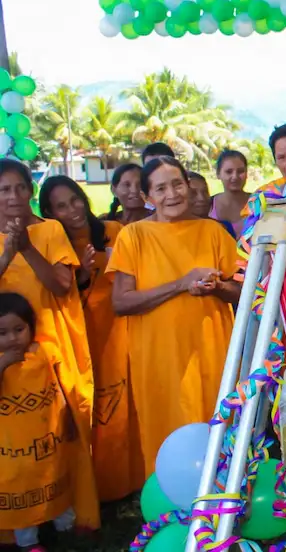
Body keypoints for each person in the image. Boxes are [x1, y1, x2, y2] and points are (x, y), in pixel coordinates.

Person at [107, 157, 240, 475]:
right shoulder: (134, 236)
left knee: (216, 429)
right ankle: (170, 507)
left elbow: (242, 293)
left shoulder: (213, 232)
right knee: (166, 434)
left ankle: (223, 510)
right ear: (147, 197)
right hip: (159, 357)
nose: (172, 194)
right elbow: (121, 302)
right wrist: (180, 284)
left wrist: (217, 286)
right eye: (161, 188)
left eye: (177, 184)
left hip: (211, 352)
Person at [0, 161, 97, 538]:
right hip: (6, 354)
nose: (13, 198)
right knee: (12, 442)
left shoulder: (50, 229)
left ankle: (67, 510)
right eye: (4, 190)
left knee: (60, 432)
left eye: (19, 189)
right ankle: (15, 525)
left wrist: (26, 248)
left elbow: (61, 286)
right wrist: (8, 252)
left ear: (29, 190)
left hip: (52, 346)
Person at [38, 176, 143, 502]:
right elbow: (61, 294)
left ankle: (135, 478)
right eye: (61, 206)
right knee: (99, 406)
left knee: (130, 402)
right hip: (84, 334)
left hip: (123, 326)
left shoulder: (113, 231)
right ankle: (101, 486)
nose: (73, 210)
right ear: (50, 213)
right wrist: (82, 274)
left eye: (75, 200)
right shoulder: (54, 244)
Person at [0, 293, 98, 552]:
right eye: (3, 333)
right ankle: (28, 541)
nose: (12, 339)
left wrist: (67, 419)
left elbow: (60, 387)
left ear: (31, 326)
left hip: (48, 440)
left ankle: (65, 526)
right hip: (12, 451)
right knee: (21, 489)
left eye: (19, 329)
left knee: (54, 479)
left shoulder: (45, 352)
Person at [210, 150, 251, 237]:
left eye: (240, 171)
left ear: (247, 173)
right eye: (229, 172)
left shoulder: (258, 202)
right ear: (218, 174)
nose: (235, 177)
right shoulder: (208, 205)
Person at [187, 172, 237, 238]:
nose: (201, 198)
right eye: (193, 193)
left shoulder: (223, 228)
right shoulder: (173, 233)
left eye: (205, 192)